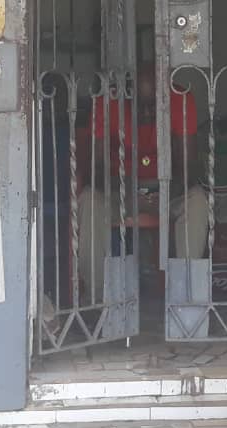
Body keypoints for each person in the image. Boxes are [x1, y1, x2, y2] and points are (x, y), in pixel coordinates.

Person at [74, 64, 208, 305]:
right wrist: (129, 193)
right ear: (127, 94)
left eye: (153, 106)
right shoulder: (107, 103)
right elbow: (97, 168)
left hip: (167, 189)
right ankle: (97, 298)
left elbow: (188, 166)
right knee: (88, 200)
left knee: (197, 201)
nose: (146, 113)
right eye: (140, 106)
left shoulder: (180, 99)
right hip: (119, 188)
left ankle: (187, 298)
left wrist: (163, 193)